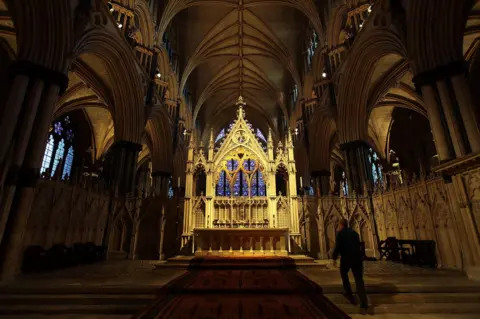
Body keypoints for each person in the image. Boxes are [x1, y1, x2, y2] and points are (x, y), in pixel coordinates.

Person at [332, 218, 369, 314]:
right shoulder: (355, 233)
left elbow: (338, 246)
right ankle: (364, 302)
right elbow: (358, 245)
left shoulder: (340, 233)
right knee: (359, 279)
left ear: (341, 225)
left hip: (347, 259)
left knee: (343, 273)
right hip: (357, 259)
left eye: (339, 225)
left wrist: (334, 258)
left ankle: (348, 292)